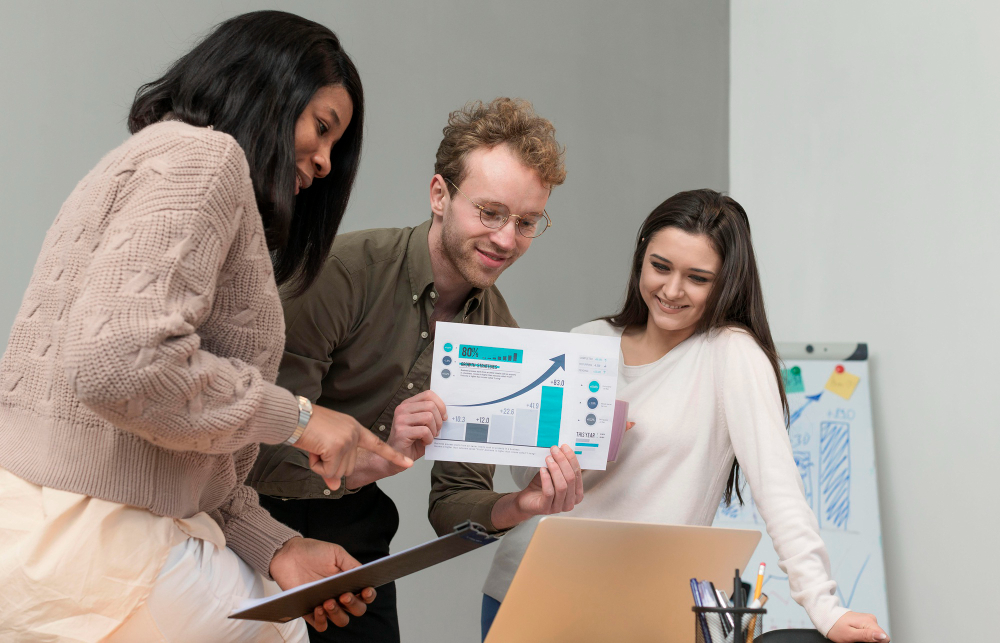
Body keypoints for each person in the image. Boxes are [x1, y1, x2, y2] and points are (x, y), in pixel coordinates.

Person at [0, 11, 413, 642]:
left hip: (36, 531)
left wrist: (278, 548)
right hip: (101, 544)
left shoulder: (142, 160)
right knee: (283, 633)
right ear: (268, 90)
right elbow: (119, 365)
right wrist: (302, 419)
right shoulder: (206, 158)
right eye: (321, 128)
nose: (326, 161)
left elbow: (170, 439)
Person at [474, 190, 891, 642]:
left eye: (697, 277)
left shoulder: (731, 354)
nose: (672, 290)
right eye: (660, 267)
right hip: (528, 588)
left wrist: (823, 606)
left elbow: (779, 489)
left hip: (643, 607)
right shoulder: (590, 340)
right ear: (641, 258)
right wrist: (575, 450)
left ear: (726, 281)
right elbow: (526, 478)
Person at [249, 97, 584, 643]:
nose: (506, 239)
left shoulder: (500, 336)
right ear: (439, 196)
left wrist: (521, 505)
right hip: (249, 515)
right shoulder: (340, 275)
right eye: (491, 212)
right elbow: (255, 444)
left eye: (526, 222)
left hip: (353, 526)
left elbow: (453, 504)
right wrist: (375, 455)